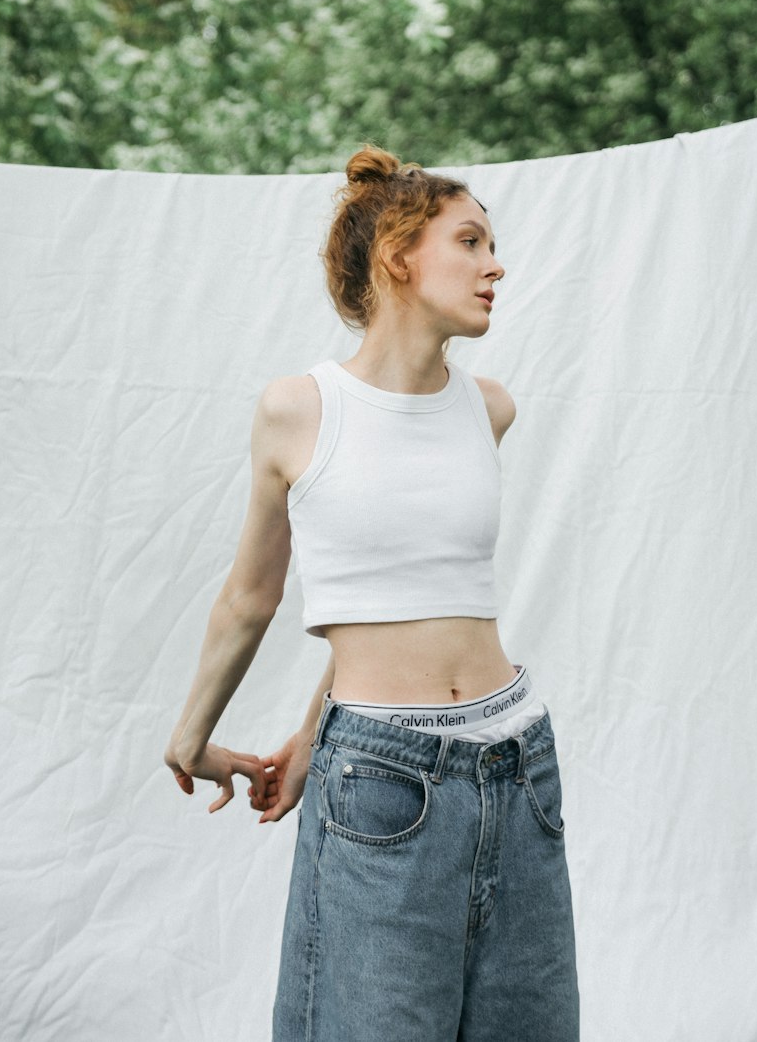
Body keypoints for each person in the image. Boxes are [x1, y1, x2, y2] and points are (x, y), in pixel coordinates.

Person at [164, 144, 579, 1041]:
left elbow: (412, 594)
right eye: (469, 242)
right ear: (398, 257)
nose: (495, 263)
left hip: (521, 768)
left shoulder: (489, 408)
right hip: (384, 785)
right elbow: (251, 598)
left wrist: (310, 735)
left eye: (491, 244)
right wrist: (192, 738)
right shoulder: (300, 410)